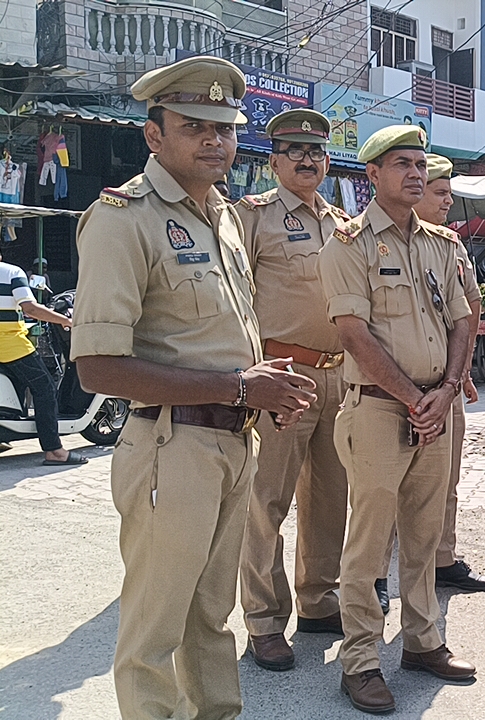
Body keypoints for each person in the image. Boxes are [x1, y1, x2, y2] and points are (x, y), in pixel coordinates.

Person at [71, 56, 318, 719]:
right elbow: (97, 367)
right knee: (156, 631)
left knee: (212, 619)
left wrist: (263, 392)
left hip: (233, 446)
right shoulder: (124, 218)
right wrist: (243, 386)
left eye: (226, 129)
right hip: (170, 446)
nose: (216, 141)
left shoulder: (226, 219)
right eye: (195, 127)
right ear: (155, 135)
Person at [319, 126, 477, 714]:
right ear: (372, 176)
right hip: (381, 412)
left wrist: (451, 388)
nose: (415, 173)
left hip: (438, 408)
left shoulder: (442, 244)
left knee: (424, 534)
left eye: (419, 163)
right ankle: (360, 660)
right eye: (401, 164)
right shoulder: (348, 245)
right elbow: (353, 334)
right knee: (368, 543)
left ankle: (422, 642)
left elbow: (463, 319)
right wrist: (416, 396)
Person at [236, 109, 352, 672]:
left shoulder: (342, 222)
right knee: (267, 501)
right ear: (274, 161)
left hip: (339, 374)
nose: (308, 161)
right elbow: (233, 300)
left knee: (330, 500)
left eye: (317, 153)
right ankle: (262, 620)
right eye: (295, 152)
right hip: (279, 373)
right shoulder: (251, 217)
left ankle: (317, 600)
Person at [412, 153, 485, 594]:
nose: (447, 201)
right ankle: (382, 571)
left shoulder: (452, 244)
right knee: (388, 484)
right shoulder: (379, 242)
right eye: (440, 192)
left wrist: (461, 372)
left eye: (448, 193)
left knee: (447, 477)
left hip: (446, 382)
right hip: (399, 386)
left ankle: (442, 557)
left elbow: (470, 306)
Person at [0, 249, 80, 465]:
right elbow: (31, 309)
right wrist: (65, 321)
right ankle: (54, 450)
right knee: (45, 387)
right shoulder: (12, 272)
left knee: (14, 381)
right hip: (8, 345)